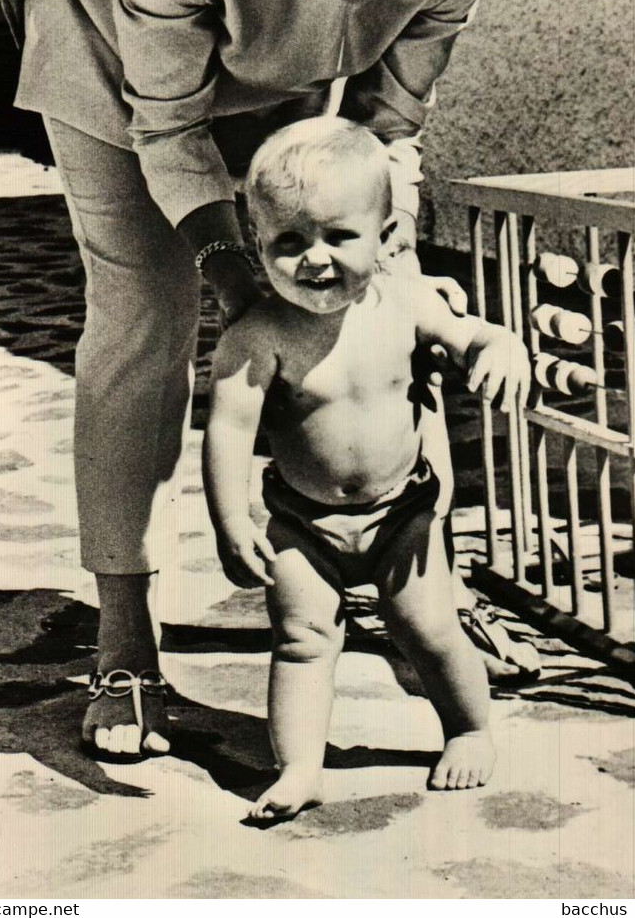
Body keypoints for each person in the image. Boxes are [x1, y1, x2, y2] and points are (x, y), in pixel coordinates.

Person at [0, 0, 497, 758]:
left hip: (270, 33)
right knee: (148, 305)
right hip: (105, 35)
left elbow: (389, 131)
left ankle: (420, 597)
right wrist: (241, 282)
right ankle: (123, 646)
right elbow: (169, 129)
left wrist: (387, 278)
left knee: (375, 306)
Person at [204, 117, 531, 820]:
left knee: (429, 629)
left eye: (337, 237)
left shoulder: (405, 305)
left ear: (384, 241)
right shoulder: (256, 336)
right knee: (300, 641)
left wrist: (496, 345)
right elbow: (227, 430)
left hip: (400, 515)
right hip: (300, 521)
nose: (313, 259)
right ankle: (300, 769)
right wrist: (231, 521)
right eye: (287, 242)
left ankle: (468, 729)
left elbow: (470, 334)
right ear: (257, 246)